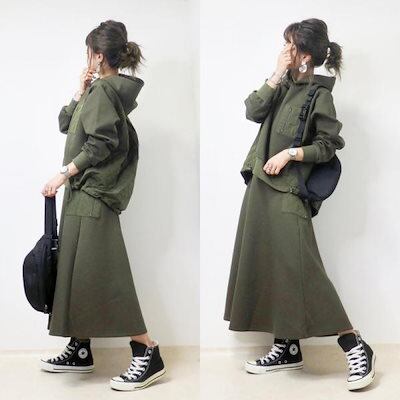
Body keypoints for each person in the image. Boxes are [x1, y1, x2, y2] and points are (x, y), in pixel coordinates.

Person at [223, 18, 376, 391]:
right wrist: (276, 72)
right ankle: (286, 348)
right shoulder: (281, 85)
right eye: (285, 44)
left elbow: (328, 146)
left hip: (288, 192)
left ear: (306, 54)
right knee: (272, 269)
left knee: (303, 270)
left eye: (290, 45)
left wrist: (290, 153)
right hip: (260, 189)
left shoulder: (319, 95)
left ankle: (355, 345)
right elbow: (252, 110)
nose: (285, 50)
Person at [39, 20, 165, 391]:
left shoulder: (105, 93)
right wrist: (79, 91)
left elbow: (101, 143)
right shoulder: (97, 91)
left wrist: (63, 174)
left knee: (108, 275)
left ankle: (147, 351)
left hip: (92, 195)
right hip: (84, 195)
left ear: (97, 56)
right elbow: (66, 124)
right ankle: (80, 349)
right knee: (78, 274)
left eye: (89, 52)